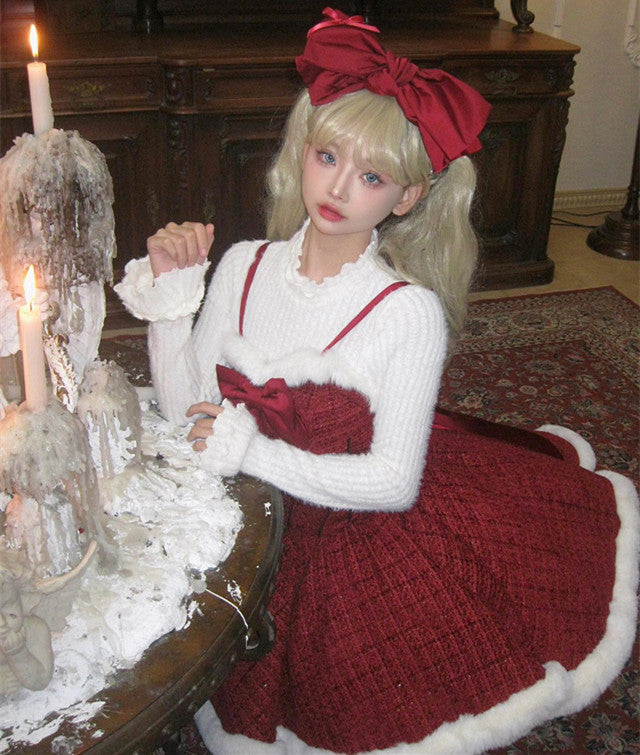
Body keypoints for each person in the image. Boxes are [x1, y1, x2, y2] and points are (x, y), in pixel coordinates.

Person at [115, 8, 639, 754]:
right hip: (243, 508)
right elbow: (187, 419)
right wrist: (171, 306)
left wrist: (250, 451)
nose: (337, 187)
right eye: (327, 156)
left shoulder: (407, 313)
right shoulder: (241, 265)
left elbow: (393, 483)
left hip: (354, 528)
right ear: (302, 150)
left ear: (406, 198)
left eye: (371, 176)